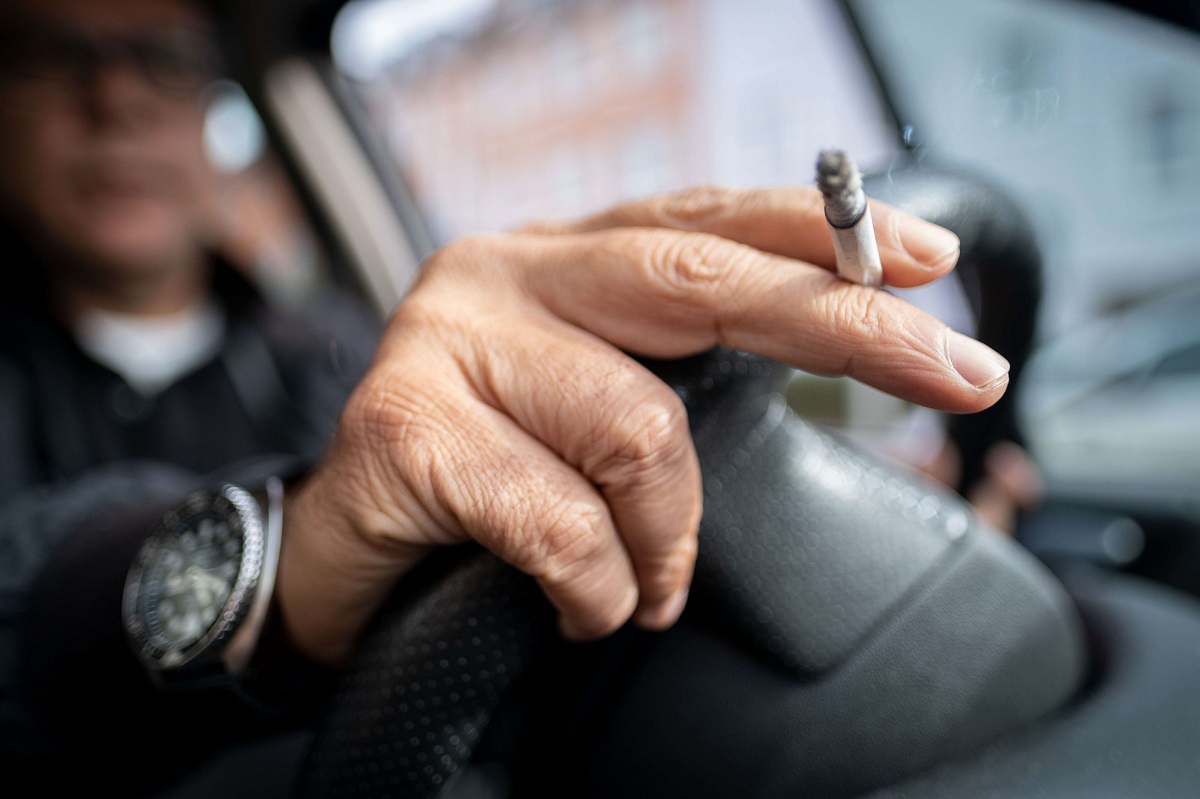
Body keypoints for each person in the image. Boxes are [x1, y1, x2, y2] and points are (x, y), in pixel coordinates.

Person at [0, 0, 1015, 793]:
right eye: (54, 57)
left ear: (209, 111)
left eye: (162, 61)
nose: (115, 100)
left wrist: (869, 529)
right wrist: (294, 553)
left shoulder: (338, 351)